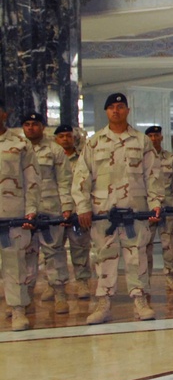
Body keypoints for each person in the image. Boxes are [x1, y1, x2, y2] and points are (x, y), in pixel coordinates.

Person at [72, 93, 163, 324]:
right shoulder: (94, 142)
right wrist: (82, 207)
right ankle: (103, 303)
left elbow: (152, 175)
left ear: (127, 110)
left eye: (120, 107)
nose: (116, 111)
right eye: (111, 107)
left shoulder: (141, 141)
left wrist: (155, 204)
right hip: (103, 213)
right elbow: (82, 176)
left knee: (137, 258)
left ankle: (140, 301)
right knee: (104, 258)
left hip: (135, 212)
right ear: (106, 112)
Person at [23, 113, 74, 314]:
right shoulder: (17, 148)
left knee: (54, 253)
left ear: (42, 127)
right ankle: (24, 296)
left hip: (50, 209)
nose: (31, 128)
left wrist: (67, 206)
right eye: (27, 125)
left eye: (35, 124)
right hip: (24, 211)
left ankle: (59, 292)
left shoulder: (54, 150)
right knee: (26, 254)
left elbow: (64, 181)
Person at [0, 101, 41, 331]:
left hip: (12, 215)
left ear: (5, 114)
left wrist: (31, 211)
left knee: (15, 263)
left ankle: (17, 309)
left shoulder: (19, 144)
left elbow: (32, 181)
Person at [145, 126, 173, 291]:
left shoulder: (170, 158)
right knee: (145, 247)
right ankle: (145, 281)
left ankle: (171, 278)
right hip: (147, 209)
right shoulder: (141, 160)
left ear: (161, 137)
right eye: (150, 135)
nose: (154, 138)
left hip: (168, 207)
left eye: (156, 135)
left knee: (169, 245)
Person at [54, 124, 92, 298]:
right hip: (55, 211)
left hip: (78, 211)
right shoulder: (50, 158)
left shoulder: (82, 158)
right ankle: (54, 284)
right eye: (61, 136)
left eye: (68, 136)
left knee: (80, 247)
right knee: (54, 250)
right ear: (56, 139)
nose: (65, 139)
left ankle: (82, 282)